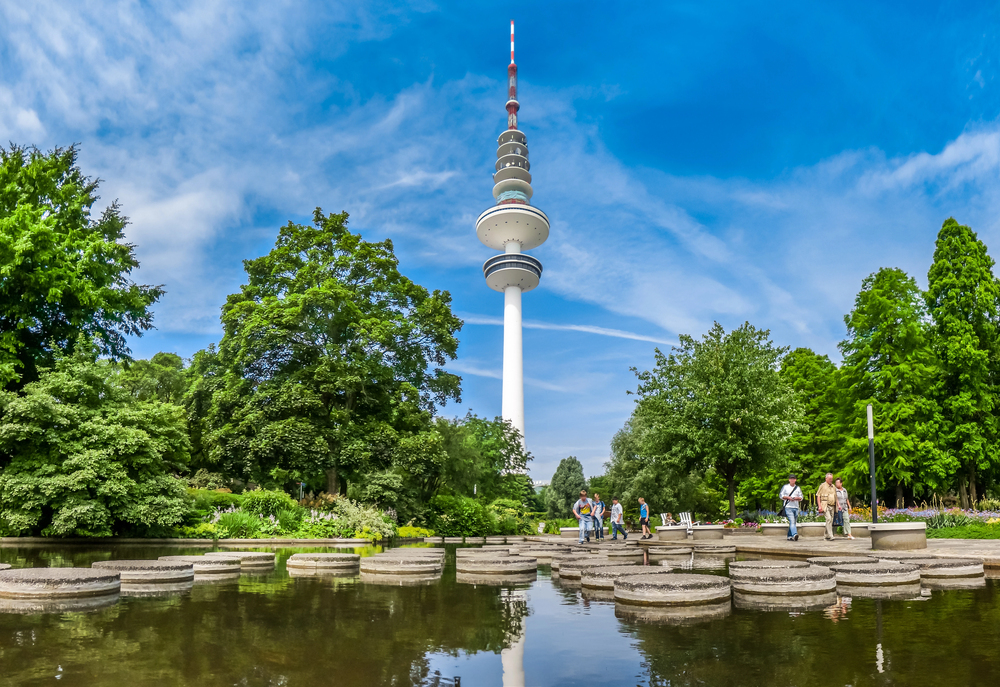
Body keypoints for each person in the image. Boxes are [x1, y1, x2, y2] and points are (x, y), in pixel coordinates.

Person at [779, 474, 803, 541]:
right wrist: (788, 497)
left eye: (793, 479)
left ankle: (789, 536)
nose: (792, 480)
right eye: (791, 479)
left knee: (793, 522)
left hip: (796, 507)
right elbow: (781, 495)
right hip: (788, 507)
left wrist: (795, 498)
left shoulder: (798, 488)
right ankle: (795, 534)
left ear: (795, 480)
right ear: (789, 480)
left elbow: (801, 497)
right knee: (792, 521)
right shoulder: (785, 487)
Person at [817, 473, 837, 541]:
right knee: (828, 519)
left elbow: (835, 496)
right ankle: (831, 536)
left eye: (832, 479)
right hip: (825, 505)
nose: (831, 480)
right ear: (826, 479)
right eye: (830, 479)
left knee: (830, 521)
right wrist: (819, 506)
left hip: (832, 505)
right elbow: (818, 496)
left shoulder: (833, 486)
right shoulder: (822, 486)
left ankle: (826, 535)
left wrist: (838, 505)